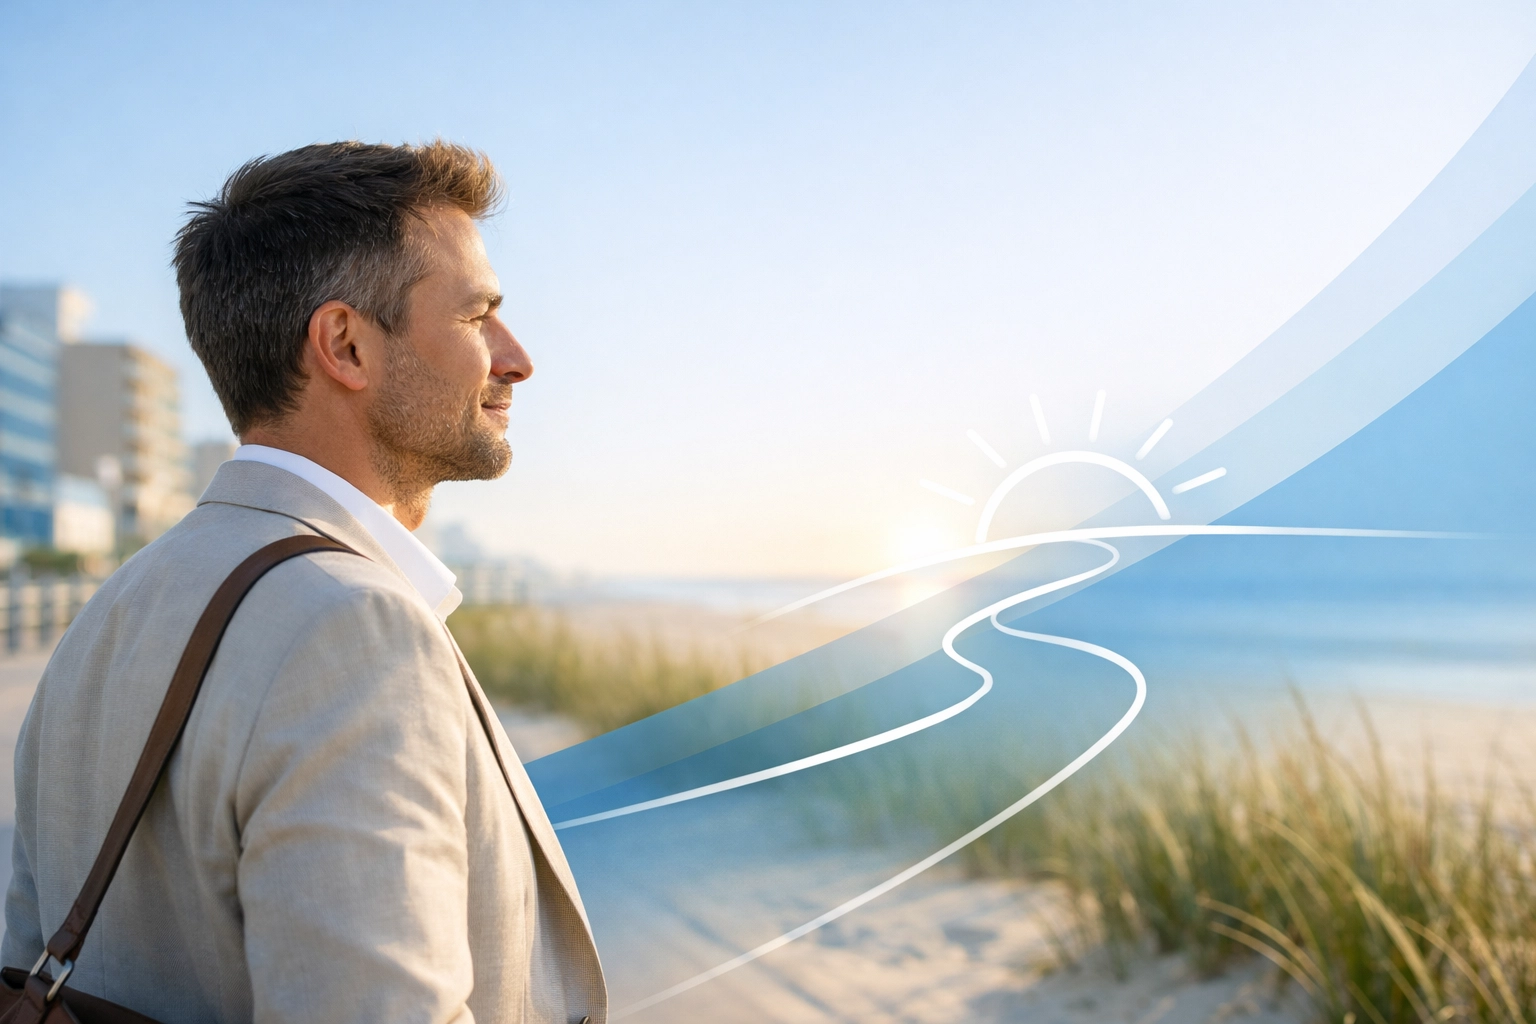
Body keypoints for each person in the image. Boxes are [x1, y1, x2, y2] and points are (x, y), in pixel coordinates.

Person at [2, 141, 606, 1023]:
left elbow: (24, 960)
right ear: (345, 345)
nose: (515, 359)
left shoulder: (109, 613)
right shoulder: (353, 629)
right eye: (478, 317)